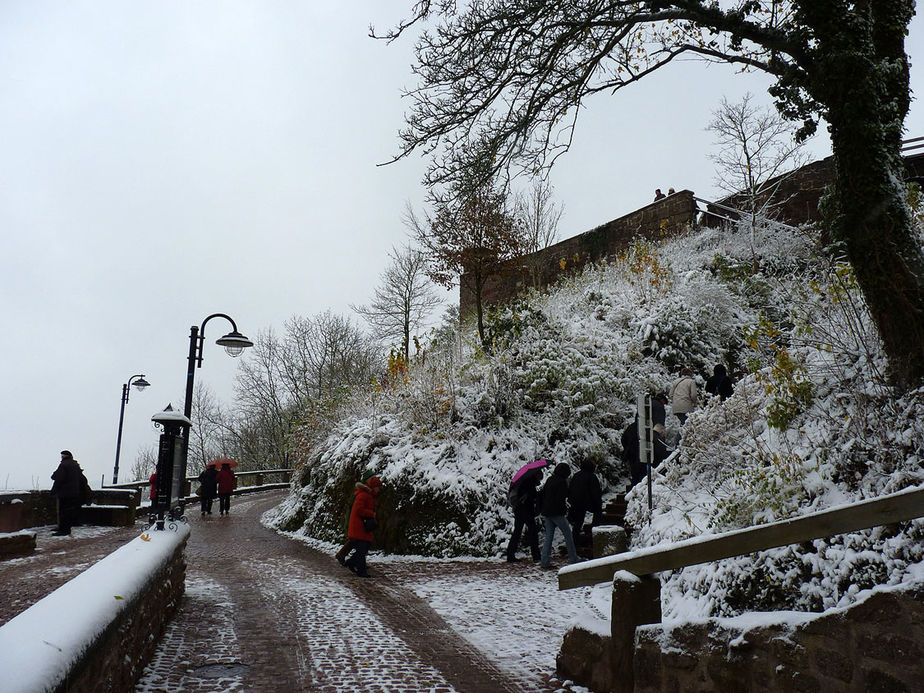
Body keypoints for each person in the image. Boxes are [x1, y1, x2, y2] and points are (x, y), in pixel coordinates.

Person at [539, 462, 580, 569]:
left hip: (547, 512)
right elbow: (562, 498)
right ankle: (573, 558)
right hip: (557, 513)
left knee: (548, 537)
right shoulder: (562, 482)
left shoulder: (550, 479)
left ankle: (544, 561)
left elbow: (543, 494)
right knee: (568, 535)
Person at [343, 474, 383, 578]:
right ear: (373, 487)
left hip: (362, 527)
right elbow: (359, 510)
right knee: (362, 549)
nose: (379, 490)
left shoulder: (369, 495)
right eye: (378, 487)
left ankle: (352, 563)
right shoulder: (364, 495)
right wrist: (371, 514)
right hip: (359, 527)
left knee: (364, 548)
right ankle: (361, 571)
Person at [336, 469, 376, 565]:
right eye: (372, 478)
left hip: (357, 520)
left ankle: (348, 557)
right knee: (358, 541)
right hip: (357, 520)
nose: (374, 479)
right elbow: (357, 508)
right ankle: (347, 558)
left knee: (357, 541)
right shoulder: (362, 492)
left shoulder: (364, 490)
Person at [505, 468, 542, 563]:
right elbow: (531, 496)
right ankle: (536, 555)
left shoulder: (523, 481)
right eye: (540, 478)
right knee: (533, 532)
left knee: (517, 532)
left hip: (519, 510)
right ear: (536, 476)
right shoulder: (529, 483)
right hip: (526, 510)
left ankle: (510, 554)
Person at [50, 450, 89, 536]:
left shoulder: (64, 465)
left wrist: (54, 490)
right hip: (74, 493)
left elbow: (58, 477)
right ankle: (64, 528)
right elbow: (82, 479)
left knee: (63, 511)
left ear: (63, 456)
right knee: (69, 511)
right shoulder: (75, 465)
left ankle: (64, 530)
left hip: (65, 493)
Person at [567, 460, 603, 545]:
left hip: (576, 502)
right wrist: (598, 503)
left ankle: (574, 541)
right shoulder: (592, 476)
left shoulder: (576, 475)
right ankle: (594, 534)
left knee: (578, 523)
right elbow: (595, 492)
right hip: (588, 502)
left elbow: (571, 489)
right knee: (597, 514)